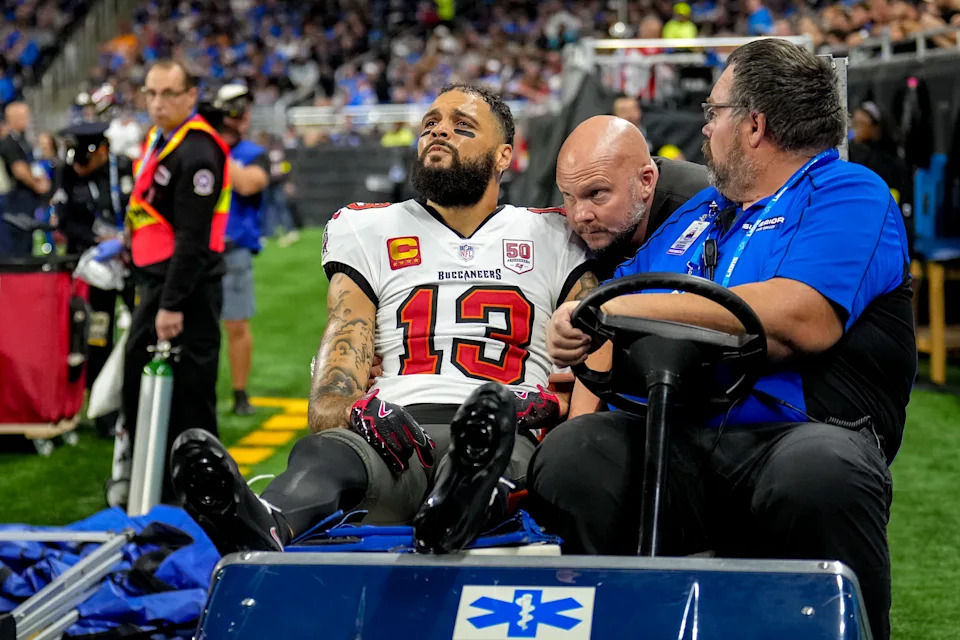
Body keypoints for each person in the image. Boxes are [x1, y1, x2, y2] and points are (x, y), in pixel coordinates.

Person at [533, 39, 914, 640]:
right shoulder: (698, 213)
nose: (703, 131)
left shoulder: (847, 192)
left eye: (713, 113)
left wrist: (613, 308)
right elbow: (610, 323)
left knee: (819, 471)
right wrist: (577, 332)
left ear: (754, 125)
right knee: (577, 453)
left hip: (798, 435)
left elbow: (803, 316)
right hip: (681, 438)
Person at [169, 83, 596, 556]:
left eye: (462, 126)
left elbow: (601, 355)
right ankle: (261, 522)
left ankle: (455, 510)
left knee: (486, 454)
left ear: (503, 156)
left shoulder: (555, 233)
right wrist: (351, 411)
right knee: (326, 454)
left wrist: (554, 408)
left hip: (503, 427)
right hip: (395, 429)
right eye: (430, 123)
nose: (438, 132)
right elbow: (333, 383)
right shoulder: (368, 228)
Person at [122, 59, 231, 497]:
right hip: (158, 281)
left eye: (168, 93)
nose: (157, 102)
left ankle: (202, 498)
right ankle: (156, 489)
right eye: (150, 93)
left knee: (190, 402)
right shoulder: (160, 139)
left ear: (190, 96)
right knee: (143, 390)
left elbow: (192, 239)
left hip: (186, 291)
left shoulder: (198, 150)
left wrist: (170, 304)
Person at [54, 120, 135, 434]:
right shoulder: (66, 173)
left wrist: (125, 239)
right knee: (98, 335)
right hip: (92, 268)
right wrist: (95, 240)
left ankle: (133, 400)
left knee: (138, 328)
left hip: (128, 263)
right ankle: (103, 411)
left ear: (103, 151)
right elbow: (64, 221)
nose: (80, 167)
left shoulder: (124, 168)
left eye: (86, 160)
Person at [557, 115, 708, 279]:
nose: (580, 216)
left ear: (645, 181)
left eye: (596, 193)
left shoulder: (709, 206)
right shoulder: (560, 229)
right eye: (568, 195)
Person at [211, 84, 270, 416]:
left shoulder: (250, 153)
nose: (242, 118)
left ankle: (239, 392)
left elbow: (249, 183)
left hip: (233, 249)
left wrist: (215, 146)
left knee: (236, 325)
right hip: (202, 247)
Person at [0, 102, 50, 257]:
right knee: (18, 243)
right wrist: (37, 185)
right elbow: (19, 169)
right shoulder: (10, 142)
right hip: (17, 200)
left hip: (26, 199)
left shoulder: (22, 140)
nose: (28, 120)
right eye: (24, 116)